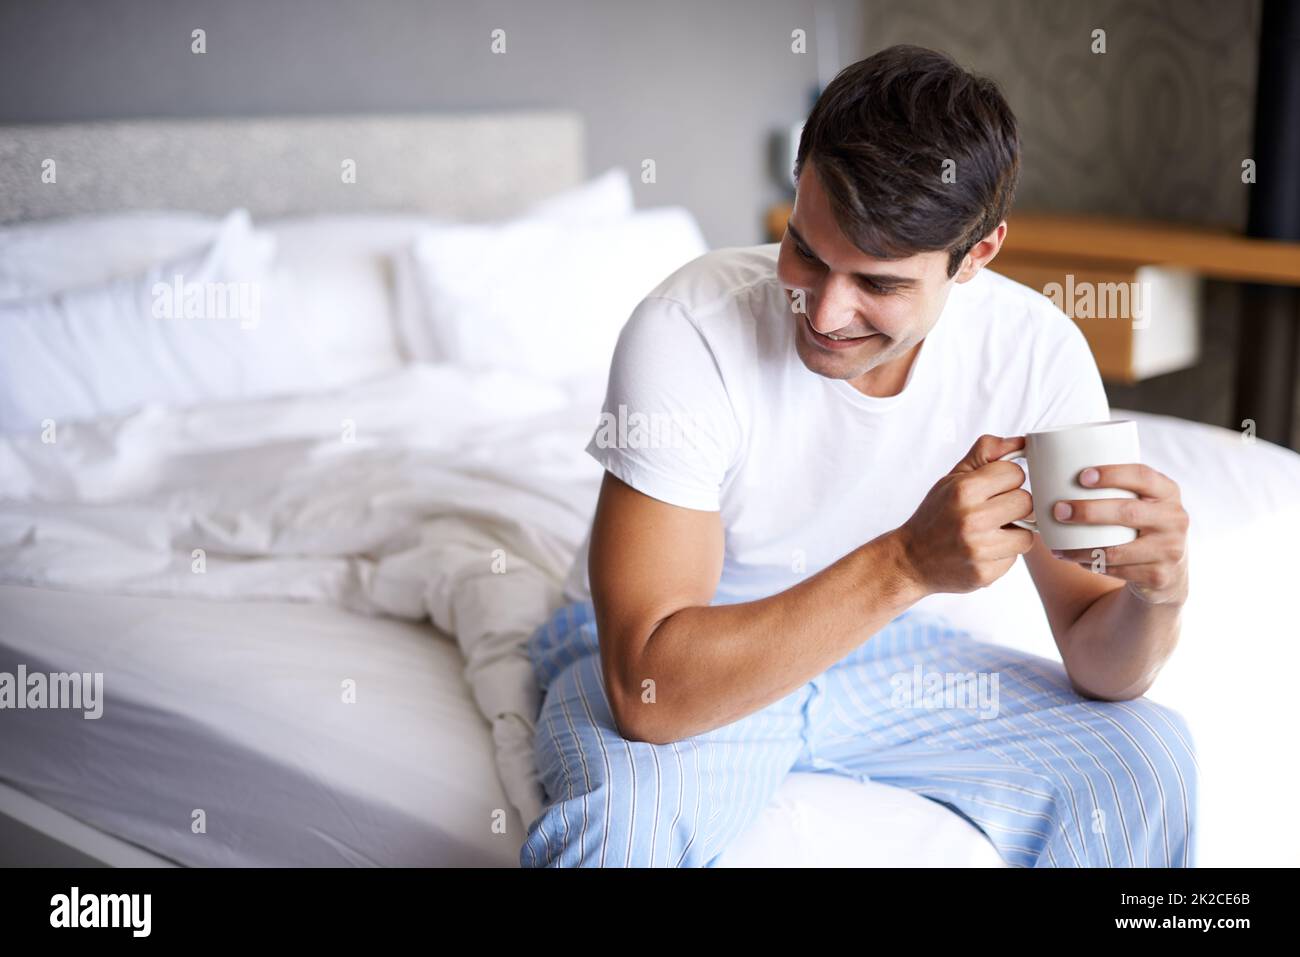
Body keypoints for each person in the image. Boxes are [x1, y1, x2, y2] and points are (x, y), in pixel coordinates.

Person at [521, 44, 1196, 868]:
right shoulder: (687, 328)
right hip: (695, 651)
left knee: (1144, 761)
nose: (824, 310)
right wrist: (908, 562)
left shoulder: (1037, 350)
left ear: (977, 254)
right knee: (625, 830)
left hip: (886, 658)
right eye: (806, 250)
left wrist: (1157, 598)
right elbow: (649, 694)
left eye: (877, 283)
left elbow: (1098, 654)